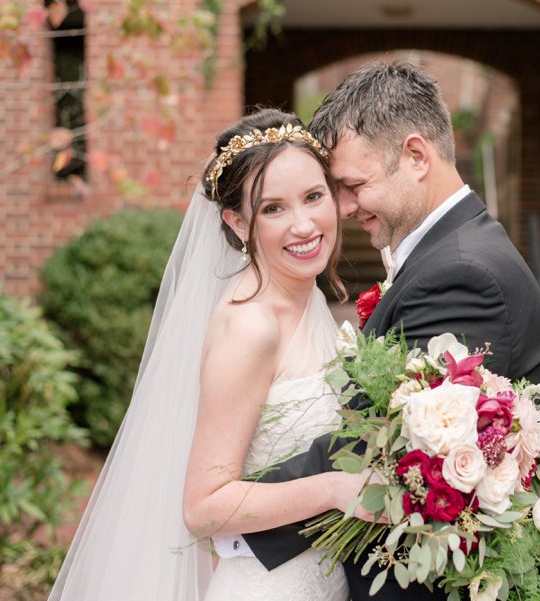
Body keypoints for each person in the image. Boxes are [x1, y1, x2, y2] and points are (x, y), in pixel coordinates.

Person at [240, 61, 540, 600]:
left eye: (352, 185)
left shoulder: (463, 275)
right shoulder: (451, 253)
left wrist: (234, 511)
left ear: (415, 156)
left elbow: (381, 449)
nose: (340, 208)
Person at [49, 108, 373, 600]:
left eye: (313, 196)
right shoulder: (251, 326)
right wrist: (333, 488)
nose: (304, 224)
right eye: (273, 209)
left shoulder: (305, 300)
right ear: (237, 222)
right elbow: (204, 506)